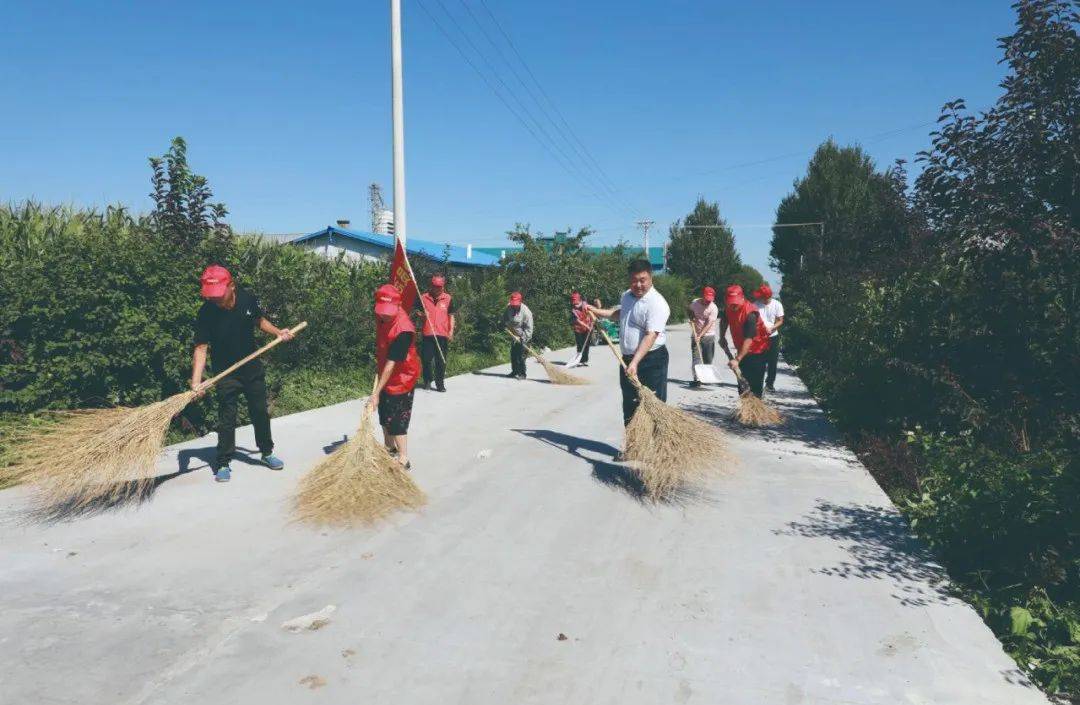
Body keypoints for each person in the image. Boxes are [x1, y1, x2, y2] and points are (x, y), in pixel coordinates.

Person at [191, 265, 293, 483]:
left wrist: (278, 332)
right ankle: (223, 461)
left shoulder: (247, 299)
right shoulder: (206, 312)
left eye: (219, 295)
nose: (215, 300)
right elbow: (201, 348)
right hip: (225, 373)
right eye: (212, 296)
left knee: (259, 412)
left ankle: (266, 453)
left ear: (232, 286)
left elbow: (258, 320)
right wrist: (196, 382)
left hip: (251, 368)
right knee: (227, 416)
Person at [588, 259, 671, 428]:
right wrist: (596, 311)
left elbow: (651, 335)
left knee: (653, 407)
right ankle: (633, 449)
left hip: (651, 361)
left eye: (642, 280)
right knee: (630, 405)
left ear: (650, 278)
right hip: (627, 359)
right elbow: (618, 313)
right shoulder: (627, 296)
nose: (638, 285)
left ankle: (657, 451)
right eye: (634, 280)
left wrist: (634, 362)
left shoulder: (657, 303)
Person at [366, 284, 421, 469]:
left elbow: (392, 364)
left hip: (402, 377)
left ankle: (404, 457)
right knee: (384, 415)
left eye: (388, 312)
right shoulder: (381, 316)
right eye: (382, 311)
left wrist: (375, 393)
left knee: (397, 418)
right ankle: (389, 449)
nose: (384, 315)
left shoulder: (404, 330)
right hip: (386, 370)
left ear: (398, 306)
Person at [718, 284, 771, 399]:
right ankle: (744, 412)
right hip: (742, 348)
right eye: (730, 303)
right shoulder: (728, 308)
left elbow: (749, 339)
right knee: (742, 384)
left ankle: (755, 413)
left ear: (743, 298)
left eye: (736, 303)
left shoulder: (750, 313)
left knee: (754, 385)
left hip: (758, 350)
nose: (733, 306)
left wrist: (737, 359)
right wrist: (722, 337)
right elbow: (724, 321)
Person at [416, 274, 455, 392]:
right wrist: (422, 315)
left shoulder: (448, 298)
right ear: (431, 286)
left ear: (443, 286)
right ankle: (427, 381)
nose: (437, 288)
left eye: (439, 286)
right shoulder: (423, 297)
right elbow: (416, 311)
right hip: (428, 333)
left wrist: (451, 331)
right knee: (426, 359)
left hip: (442, 334)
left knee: (441, 360)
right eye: (435, 286)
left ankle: (440, 384)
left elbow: (451, 316)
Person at [753, 283, 784, 392]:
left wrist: (772, 328)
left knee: (772, 362)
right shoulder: (755, 305)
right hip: (759, 337)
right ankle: (757, 383)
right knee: (759, 361)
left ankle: (770, 384)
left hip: (772, 337)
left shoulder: (777, 304)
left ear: (766, 296)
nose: (758, 297)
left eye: (760, 295)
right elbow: (752, 320)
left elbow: (780, 320)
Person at [686, 286, 718, 387]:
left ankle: (706, 378)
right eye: (707, 299)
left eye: (710, 299)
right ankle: (697, 379)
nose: (708, 301)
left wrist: (700, 335)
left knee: (708, 358)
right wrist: (691, 319)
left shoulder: (713, 308)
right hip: (695, 334)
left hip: (709, 336)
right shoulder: (695, 303)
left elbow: (709, 324)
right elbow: (689, 310)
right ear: (702, 296)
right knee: (696, 358)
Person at [502, 292, 533, 380]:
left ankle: (522, 374)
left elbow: (529, 330)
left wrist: (522, 338)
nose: (514, 306)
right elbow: (505, 318)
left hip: (525, 337)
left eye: (516, 304)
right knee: (513, 354)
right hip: (514, 335)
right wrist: (503, 324)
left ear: (520, 302)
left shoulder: (526, 312)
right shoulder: (509, 307)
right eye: (513, 304)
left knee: (521, 356)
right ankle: (514, 371)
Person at [569, 292, 592, 366]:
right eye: (572, 300)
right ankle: (579, 359)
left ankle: (584, 360)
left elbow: (592, 313)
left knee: (586, 344)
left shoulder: (585, 305)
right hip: (578, 328)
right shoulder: (573, 309)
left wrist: (590, 324)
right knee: (580, 344)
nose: (573, 302)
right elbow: (577, 320)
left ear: (579, 299)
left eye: (575, 300)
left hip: (588, 327)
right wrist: (586, 325)